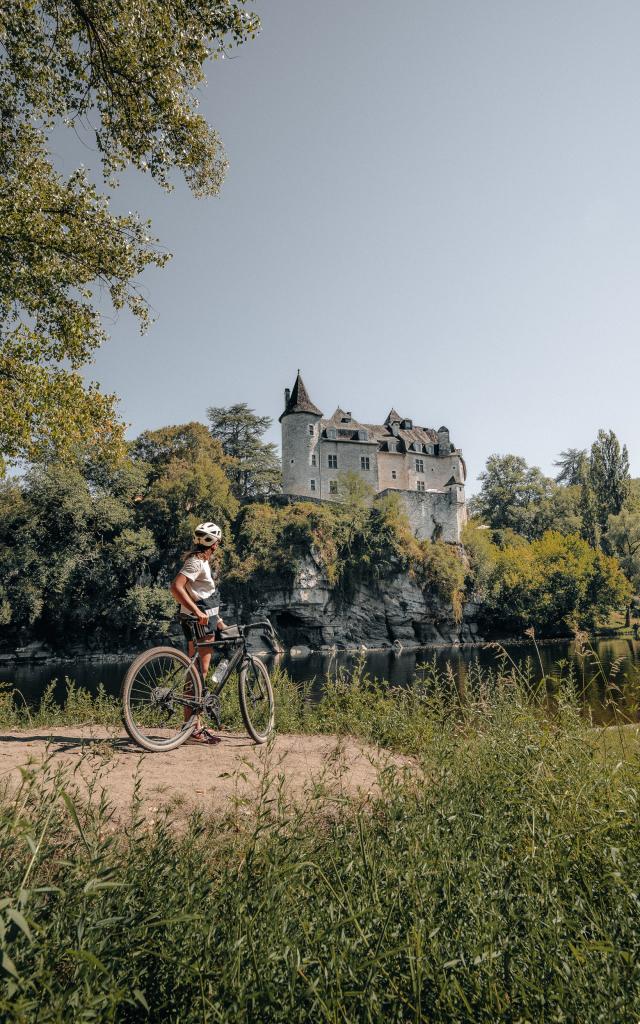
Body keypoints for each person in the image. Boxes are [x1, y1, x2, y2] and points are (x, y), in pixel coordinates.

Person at [170, 521, 228, 744]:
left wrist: (219, 621)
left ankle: (192, 726)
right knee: (200, 673)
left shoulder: (200, 561)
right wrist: (197, 611)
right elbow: (176, 587)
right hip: (199, 621)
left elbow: (202, 595)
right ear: (214, 544)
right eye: (217, 543)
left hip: (203, 619)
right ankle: (193, 728)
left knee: (196, 671)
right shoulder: (196, 562)